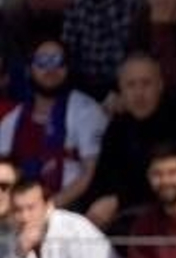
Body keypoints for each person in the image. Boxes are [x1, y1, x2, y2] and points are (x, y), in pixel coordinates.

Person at [82, 53, 176, 235]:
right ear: (121, 90)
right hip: (111, 220)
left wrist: (118, 201)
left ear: (160, 86)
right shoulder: (117, 126)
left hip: (160, 220)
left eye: (146, 83)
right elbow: (100, 178)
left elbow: (168, 183)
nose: (139, 93)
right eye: (131, 85)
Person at [0, 36, 108, 212]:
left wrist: (48, 209)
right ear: (30, 68)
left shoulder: (87, 111)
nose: (51, 69)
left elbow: (89, 174)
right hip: (20, 212)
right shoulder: (11, 120)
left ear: (68, 68)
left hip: (72, 208)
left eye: (58, 61)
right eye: (42, 61)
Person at [1, 175, 125, 258]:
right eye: (18, 210)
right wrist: (19, 257)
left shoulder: (75, 231)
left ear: (48, 206)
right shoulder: (14, 240)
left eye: (31, 208)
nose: (25, 217)